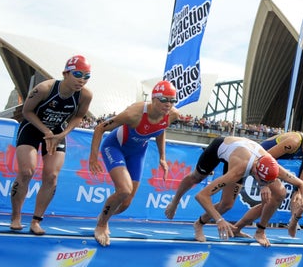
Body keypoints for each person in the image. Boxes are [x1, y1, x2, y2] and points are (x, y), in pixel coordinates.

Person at [88, 80, 182, 246]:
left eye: (172, 100)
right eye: (164, 99)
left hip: (137, 152)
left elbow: (160, 129)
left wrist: (162, 157)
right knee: (124, 189)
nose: (169, 104)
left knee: (126, 203)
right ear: (153, 99)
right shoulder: (134, 113)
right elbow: (100, 128)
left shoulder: (173, 114)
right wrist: (93, 157)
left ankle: (104, 215)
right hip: (115, 146)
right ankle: (101, 224)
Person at [10, 55, 95, 235]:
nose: (82, 80)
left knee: (51, 176)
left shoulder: (85, 95)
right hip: (32, 128)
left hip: (57, 132)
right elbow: (26, 111)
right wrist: (45, 131)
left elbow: (79, 116)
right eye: (78, 74)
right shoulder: (44, 88)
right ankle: (16, 216)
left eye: (86, 76)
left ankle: (36, 221)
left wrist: (61, 134)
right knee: (26, 172)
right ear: (65, 73)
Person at [190, 147, 303, 247]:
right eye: (265, 182)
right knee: (226, 204)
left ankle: (257, 231)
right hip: (224, 150)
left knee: (280, 193)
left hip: (253, 154)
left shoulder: (273, 166)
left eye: (270, 182)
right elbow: (201, 196)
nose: (268, 185)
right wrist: (219, 220)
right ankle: (197, 222)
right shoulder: (238, 170)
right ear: (256, 174)